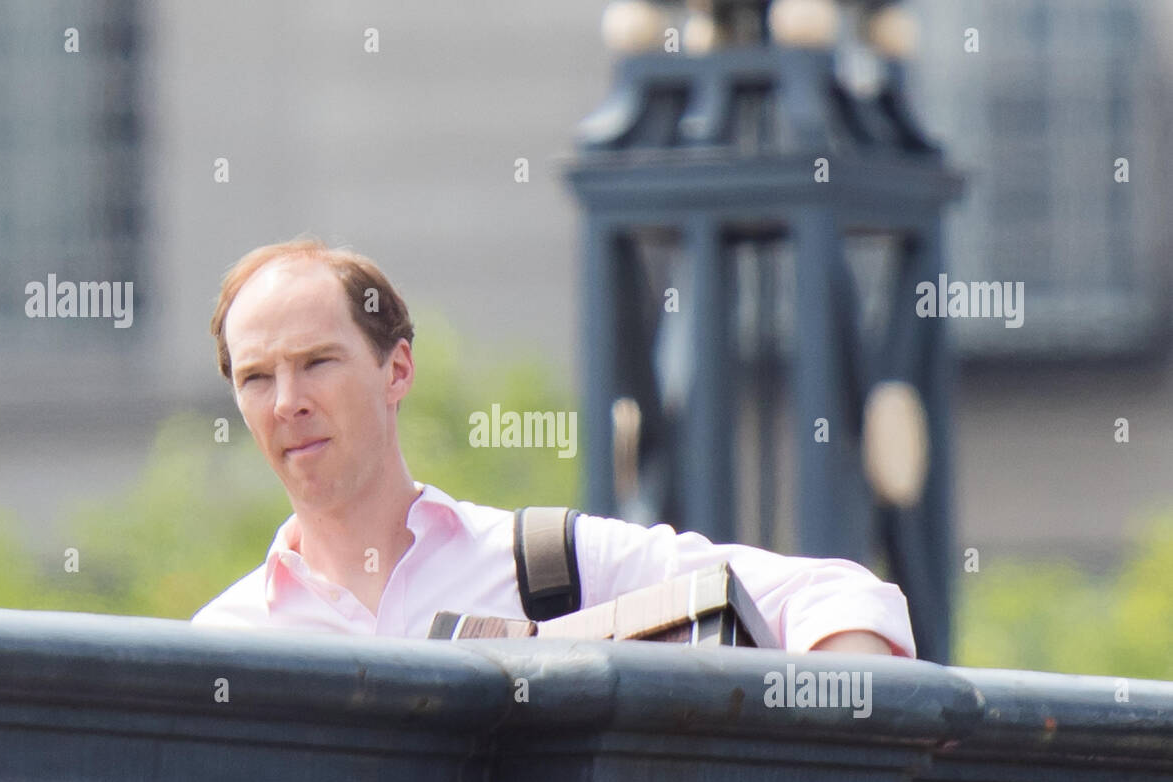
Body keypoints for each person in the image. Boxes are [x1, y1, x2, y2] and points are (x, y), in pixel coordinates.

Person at [191, 239, 916, 658]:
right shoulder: (220, 643)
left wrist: (835, 739)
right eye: (257, 377)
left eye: (318, 361)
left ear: (398, 369)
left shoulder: (544, 562)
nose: (288, 402)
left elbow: (836, 593)